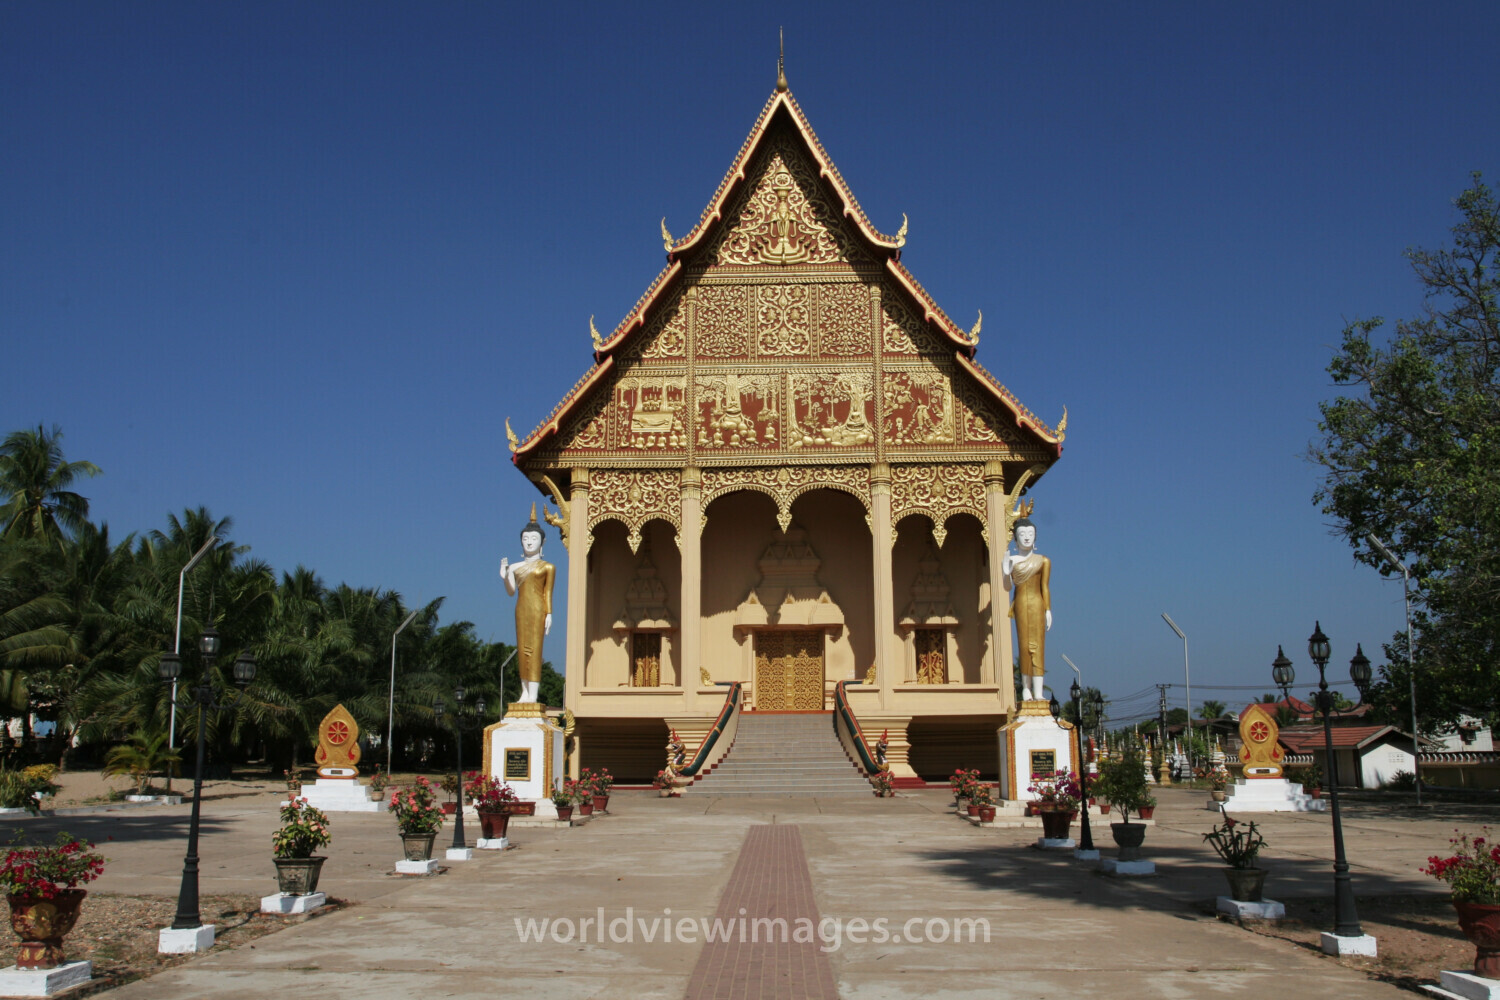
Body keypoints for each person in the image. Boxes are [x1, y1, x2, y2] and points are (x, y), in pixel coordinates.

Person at [500, 503, 555, 704]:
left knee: (535, 649)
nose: (529, 542)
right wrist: (505, 576)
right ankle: (524, 691)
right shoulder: (515, 567)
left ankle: (533, 694)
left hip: (539, 610)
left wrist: (549, 614)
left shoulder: (548, 567)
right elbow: (511, 591)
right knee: (522, 649)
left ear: (542, 542)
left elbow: (548, 592)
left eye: (533, 539)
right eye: (525, 539)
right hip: (521, 610)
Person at [1003, 516, 1052, 701]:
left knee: (1038, 646)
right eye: (1022, 534)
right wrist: (1006, 571)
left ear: (1035, 537)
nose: (1026, 537)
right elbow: (1007, 587)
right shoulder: (1012, 560)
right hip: (1021, 603)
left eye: (1030, 534)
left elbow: (1045, 587)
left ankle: (1038, 692)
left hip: (1038, 603)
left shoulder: (1044, 561)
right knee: (1025, 646)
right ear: (1015, 539)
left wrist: (1048, 609)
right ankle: (1026, 688)